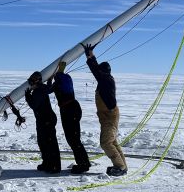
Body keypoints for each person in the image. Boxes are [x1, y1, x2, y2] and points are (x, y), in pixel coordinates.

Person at [83, 43, 128, 176]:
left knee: (105, 143)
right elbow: (97, 71)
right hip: (108, 115)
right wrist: (90, 55)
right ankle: (122, 166)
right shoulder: (106, 80)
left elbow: (95, 70)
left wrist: (90, 56)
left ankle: (120, 167)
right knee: (112, 141)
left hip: (109, 116)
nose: (98, 73)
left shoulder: (106, 80)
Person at [48, 61, 90, 173]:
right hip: (74, 108)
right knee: (74, 138)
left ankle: (84, 164)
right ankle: (83, 162)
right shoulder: (67, 79)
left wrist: (49, 80)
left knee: (73, 139)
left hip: (68, 111)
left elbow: (48, 90)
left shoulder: (58, 82)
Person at [24, 70, 61, 173]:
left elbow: (34, 105)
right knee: (42, 142)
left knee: (49, 143)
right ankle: (47, 163)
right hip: (43, 120)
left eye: (31, 82)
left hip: (46, 120)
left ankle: (54, 166)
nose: (30, 84)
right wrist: (49, 81)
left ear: (36, 82)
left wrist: (28, 97)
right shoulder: (41, 89)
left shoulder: (39, 91)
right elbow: (49, 88)